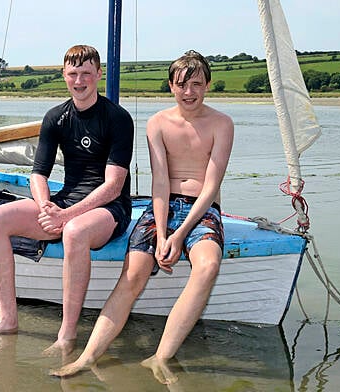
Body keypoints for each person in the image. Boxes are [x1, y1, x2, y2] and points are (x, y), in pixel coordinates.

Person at [51, 50, 234, 378]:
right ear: (170, 86)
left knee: (207, 266)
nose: (188, 92)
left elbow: (211, 185)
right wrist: (163, 234)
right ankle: (87, 358)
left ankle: (161, 356)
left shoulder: (222, 124)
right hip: (161, 208)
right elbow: (160, 182)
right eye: (181, 85)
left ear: (208, 85)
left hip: (202, 209)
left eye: (195, 84)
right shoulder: (158, 123)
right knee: (133, 274)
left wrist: (179, 236)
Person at [0, 44, 135, 355]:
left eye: (86, 73)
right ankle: (7, 319)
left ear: (99, 74)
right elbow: (38, 174)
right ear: (63, 76)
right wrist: (45, 208)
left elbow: (113, 186)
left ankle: (67, 335)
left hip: (109, 209)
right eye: (73, 74)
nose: (79, 80)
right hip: (66, 200)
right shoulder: (56, 117)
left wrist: (64, 218)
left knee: (75, 231)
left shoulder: (117, 118)